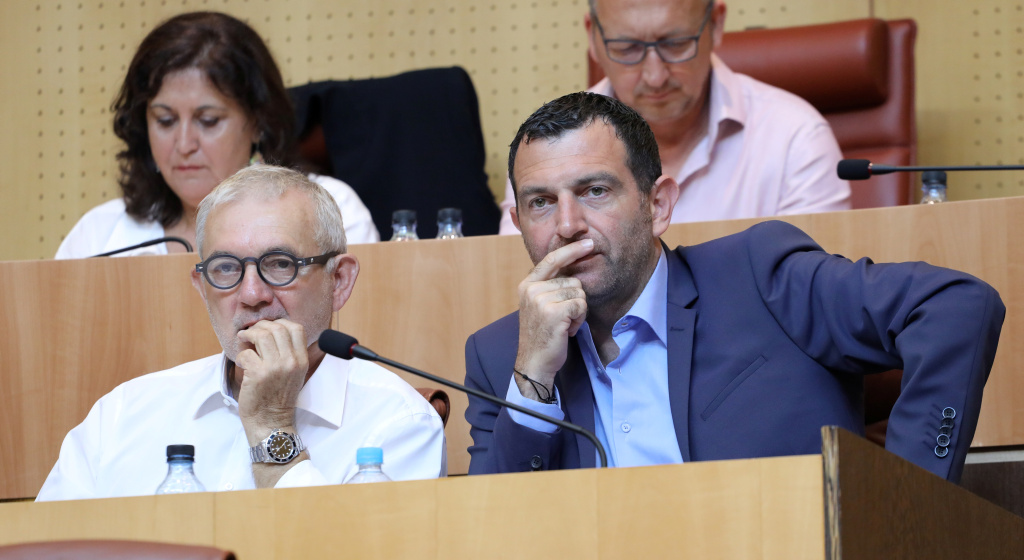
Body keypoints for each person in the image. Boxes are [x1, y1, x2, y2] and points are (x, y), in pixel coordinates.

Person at [465, 92, 1003, 483]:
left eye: (595, 191)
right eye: (540, 202)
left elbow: (955, 307)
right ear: (518, 220)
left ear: (658, 206)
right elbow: (497, 530)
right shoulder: (500, 358)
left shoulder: (759, 277)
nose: (567, 224)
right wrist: (533, 378)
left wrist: (902, 502)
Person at [38, 166, 444, 501]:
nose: (252, 294)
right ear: (202, 289)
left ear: (339, 280)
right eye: (227, 268)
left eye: (281, 263)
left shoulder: (400, 424)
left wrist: (271, 428)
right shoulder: (123, 415)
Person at [496, 0, 850, 234]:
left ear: (715, 24)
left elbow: (813, 299)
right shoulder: (545, 150)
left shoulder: (795, 137)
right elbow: (523, 282)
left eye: (676, 43)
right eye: (627, 48)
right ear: (593, 35)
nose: (655, 76)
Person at [55, 11, 378, 259]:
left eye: (208, 121)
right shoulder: (99, 234)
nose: (183, 145)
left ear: (257, 121)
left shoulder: (331, 211)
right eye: (165, 121)